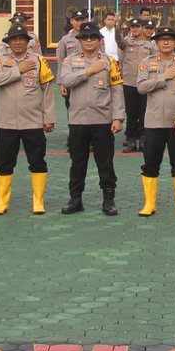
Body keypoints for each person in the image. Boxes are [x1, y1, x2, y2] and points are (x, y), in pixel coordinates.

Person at [0, 25, 55, 216]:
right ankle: (2, 202)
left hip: (33, 121)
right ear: (8, 43)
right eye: (13, 39)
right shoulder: (1, 60)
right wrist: (18, 70)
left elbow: (47, 90)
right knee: (4, 163)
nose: (17, 42)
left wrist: (49, 117)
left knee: (37, 161)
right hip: (7, 122)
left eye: (21, 39)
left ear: (27, 42)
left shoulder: (38, 60)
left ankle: (38, 200)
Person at [57, 22, 124, 215]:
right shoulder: (70, 61)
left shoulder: (110, 62)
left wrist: (118, 117)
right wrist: (88, 71)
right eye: (85, 38)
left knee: (105, 162)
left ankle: (108, 199)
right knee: (77, 162)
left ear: (99, 40)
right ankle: (75, 199)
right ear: (79, 40)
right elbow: (65, 80)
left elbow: (117, 90)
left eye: (93, 37)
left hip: (102, 119)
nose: (88, 41)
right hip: (78, 120)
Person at [135, 27, 175, 217]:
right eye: (162, 39)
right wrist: (165, 76)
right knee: (150, 164)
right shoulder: (147, 63)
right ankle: (149, 204)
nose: (165, 42)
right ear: (156, 42)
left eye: (170, 39)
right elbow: (141, 87)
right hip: (154, 123)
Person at [118, 18, 153, 153]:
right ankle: (130, 138)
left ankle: (143, 137)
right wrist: (117, 26)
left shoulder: (150, 45)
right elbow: (118, 40)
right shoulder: (126, 42)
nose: (135, 29)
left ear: (142, 28)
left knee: (144, 111)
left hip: (145, 83)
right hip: (129, 82)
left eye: (138, 27)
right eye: (133, 27)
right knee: (131, 112)